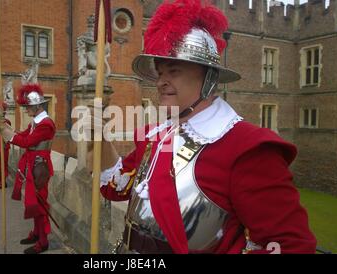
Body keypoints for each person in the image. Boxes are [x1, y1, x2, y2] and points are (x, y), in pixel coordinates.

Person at [95, 0, 316, 254]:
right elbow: (116, 188)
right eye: (160, 73)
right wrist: (99, 138)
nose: (161, 82)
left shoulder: (248, 149)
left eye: (174, 70)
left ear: (209, 77)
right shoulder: (156, 137)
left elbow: (291, 246)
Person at [0, 84, 55, 254]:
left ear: (37, 106)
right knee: (33, 202)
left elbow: (26, 142)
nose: (26, 110)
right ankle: (36, 233)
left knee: (40, 204)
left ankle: (43, 242)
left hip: (40, 168)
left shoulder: (46, 124)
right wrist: (5, 129)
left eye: (28, 107)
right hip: (33, 164)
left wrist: (6, 134)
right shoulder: (36, 122)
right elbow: (23, 135)